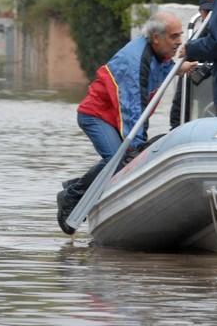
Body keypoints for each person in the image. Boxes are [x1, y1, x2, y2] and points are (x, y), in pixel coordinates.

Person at [57, 12, 194, 235]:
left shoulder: (157, 52)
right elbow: (132, 110)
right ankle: (71, 196)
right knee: (119, 157)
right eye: (174, 36)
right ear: (156, 37)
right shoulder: (135, 62)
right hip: (96, 116)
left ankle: (77, 185)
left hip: (116, 117)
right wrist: (136, 147)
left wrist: (180, 69)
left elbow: (160, 69)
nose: (179, 41)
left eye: (180, 35)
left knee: (125, 158)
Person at [170, 0, 217, 128]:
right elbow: (182, 93)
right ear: (200, 12)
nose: (210, 16)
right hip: (204, 97)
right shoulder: (196, 41)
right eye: (207, 11)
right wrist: (176, 127)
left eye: (214, 11)